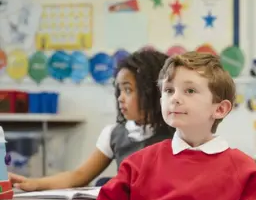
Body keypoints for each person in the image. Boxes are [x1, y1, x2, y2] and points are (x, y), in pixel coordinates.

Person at [89, 52, 256, 200]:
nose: (175, 98)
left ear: (220, 109)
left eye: (189, 91)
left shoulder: (247, 172)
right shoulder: (137, 164)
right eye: (168, 90)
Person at [8, 50, 174, 191]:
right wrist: (33, 183)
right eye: (119, 90)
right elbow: (79, 176)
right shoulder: (113, 133)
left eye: (128, 90)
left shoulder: (179, 133)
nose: (120, 98)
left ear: (152, 92)